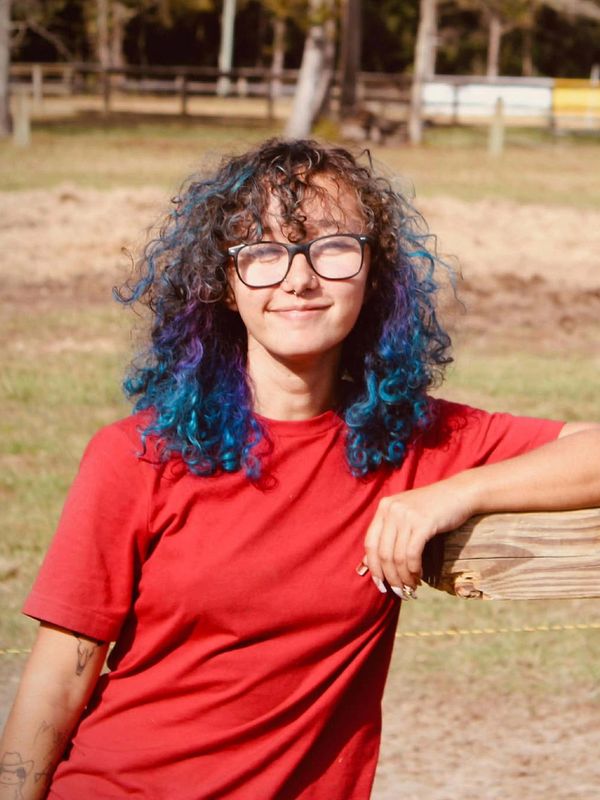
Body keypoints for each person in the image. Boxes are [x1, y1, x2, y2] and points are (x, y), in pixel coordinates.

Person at [1, 138, 599, 800]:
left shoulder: (410, 442)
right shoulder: (138, 455)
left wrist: (456, 492)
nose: (298, 278)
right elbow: (55, 686)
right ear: (225, 286)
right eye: (263, 252)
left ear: (374, 274)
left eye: (332, 247)